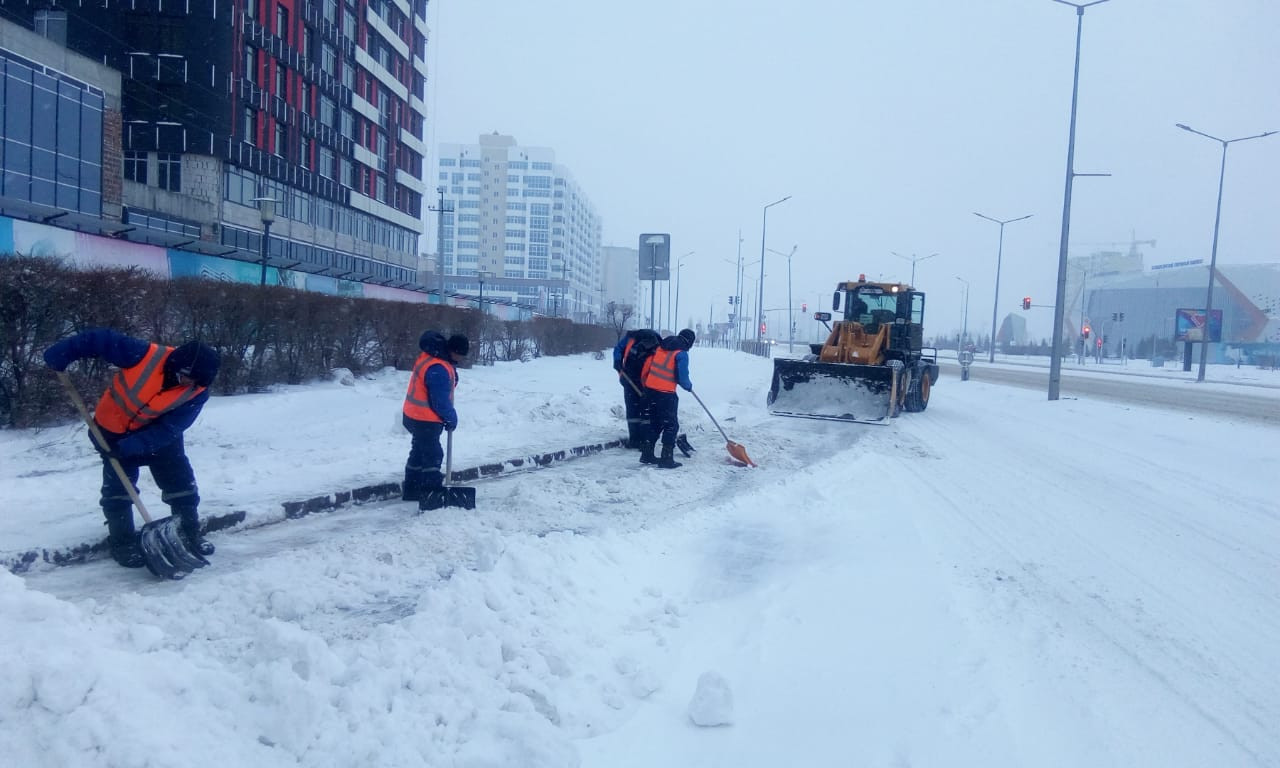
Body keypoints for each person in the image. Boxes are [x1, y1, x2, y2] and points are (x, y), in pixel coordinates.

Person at [43, 328, 220, 567]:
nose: (192, 385)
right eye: (191, 378)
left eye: (198, 383)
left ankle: (188, 533)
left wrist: (134, 445)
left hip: (160, 436)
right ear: (181, 366)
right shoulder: (142, 355)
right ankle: (122, 542)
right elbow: (99, 338)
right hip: (111, 431)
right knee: (118, 489)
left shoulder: (197, 391)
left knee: (180, 483)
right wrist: (63, 353)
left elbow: (171, 428)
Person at [401, 330, 469, 502]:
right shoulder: (439, 367)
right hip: (425, 419)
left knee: (418, 450)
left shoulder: (432, 356)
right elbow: (439, 401)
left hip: (412, 414)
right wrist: (451, 417)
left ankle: (412, 488)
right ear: (453, 351)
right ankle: (432, 494)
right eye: (460, 355)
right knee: (433, 455)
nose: (460, 360)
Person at [639, 328, 695, 469]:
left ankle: (647, 453)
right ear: (689, 343)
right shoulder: (681, 353)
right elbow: (682, 377)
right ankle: (666, 458)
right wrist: (688, 386)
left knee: (656, 423)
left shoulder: (660, 347)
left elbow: (646, 367)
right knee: (671, 425)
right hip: (666, 393)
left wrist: (647, 384)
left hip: (651, 390)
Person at [611, 328, 660, 449]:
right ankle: (634, 439)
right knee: (632, 409)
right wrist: (617, 361)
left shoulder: (658, 344)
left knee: (646, 411)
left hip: (648, 382)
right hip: (629, 378)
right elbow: (618, 349)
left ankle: (645, 440)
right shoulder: (630, 339)